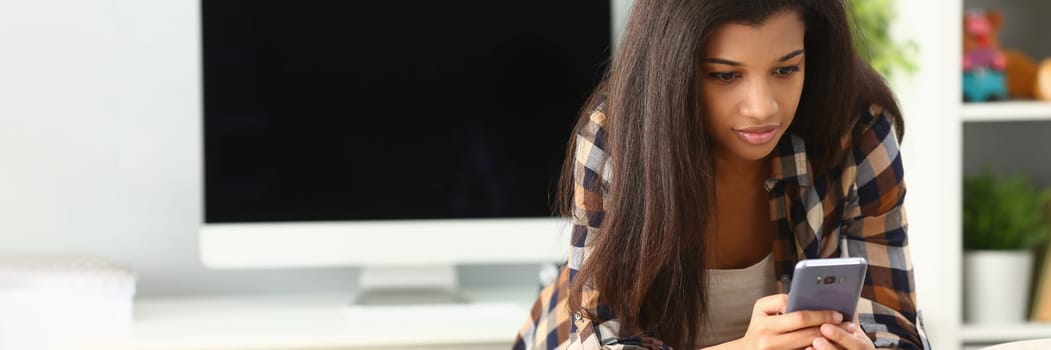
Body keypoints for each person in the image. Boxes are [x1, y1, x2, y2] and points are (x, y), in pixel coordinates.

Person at [513, 1, 930, 349]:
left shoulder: (856, 131)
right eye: (726, 75)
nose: (762, 107)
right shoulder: (615, 144)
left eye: (786, 69)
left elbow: (897, 322)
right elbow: (603, 338)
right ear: (674, 73)